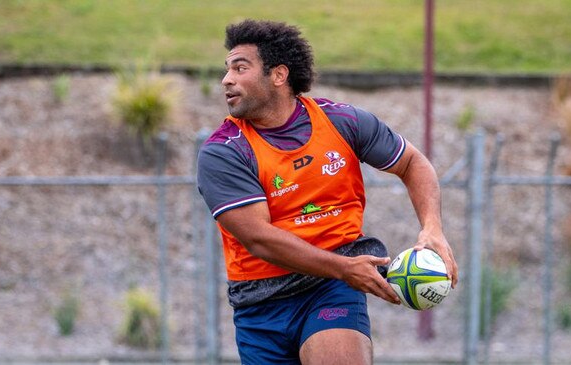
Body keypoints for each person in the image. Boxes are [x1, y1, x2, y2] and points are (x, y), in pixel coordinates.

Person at [196, 19, 458, 365]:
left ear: (278, 75)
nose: (226, 79)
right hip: (261, 305)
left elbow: (412, 162)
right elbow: (259, 239)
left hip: (329, 290)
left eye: (240, 68)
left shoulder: (342, 122)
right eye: (226, 69)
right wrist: (343, 268)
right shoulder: (225, 151)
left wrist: (432, 227)